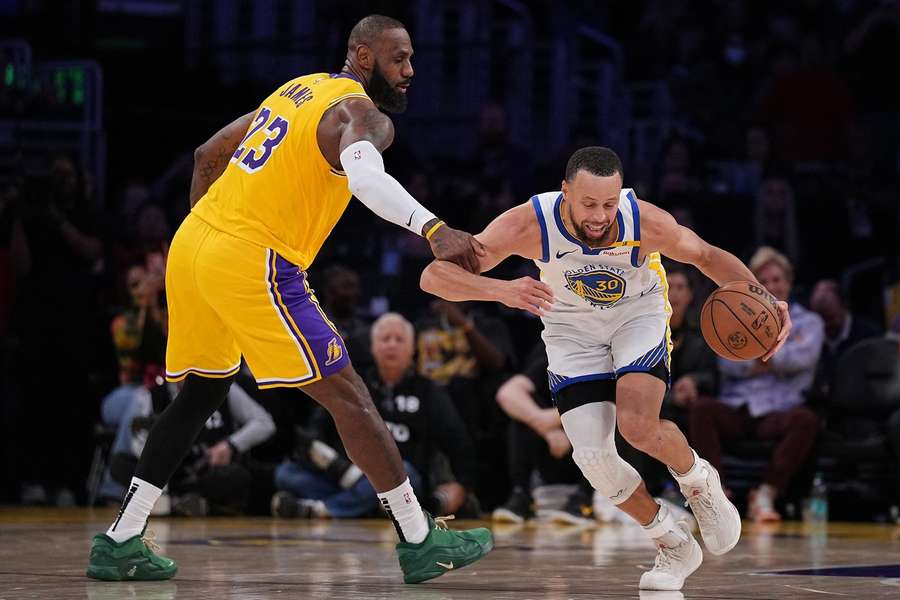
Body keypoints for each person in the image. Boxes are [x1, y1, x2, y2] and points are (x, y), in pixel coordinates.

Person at [87, 15, 492, 585]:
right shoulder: (361, 115)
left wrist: (213, 237)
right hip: (253, 256)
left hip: (192, 244)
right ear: (364, 56)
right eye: (399, 58)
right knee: (350, 394)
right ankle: (420, 539)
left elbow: (207, 155)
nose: (410, 71)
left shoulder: (297, 89)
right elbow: (364, 180)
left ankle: (121, 538)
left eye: (411, 59)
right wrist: (434, 228)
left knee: (202, 392)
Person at [420, 146, 792, 591]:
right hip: (570, 329)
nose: (599, 216)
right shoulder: (529, 224)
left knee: (637, 426)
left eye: (609, 204)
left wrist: (764, 300)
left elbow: (708, 257)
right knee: (593, 459)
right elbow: (433, 277)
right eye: (589, 204)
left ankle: (699, 481)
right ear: (565, 193)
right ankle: (672, 542)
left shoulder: (645, 221)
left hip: (636, 315)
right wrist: (500, 290)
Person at [272, 313, 477, 519]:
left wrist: (462, 484)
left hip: (402, 478)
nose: (392, 345)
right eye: (385, 339)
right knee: (286, 474)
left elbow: (458, 441)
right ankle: (366, 505)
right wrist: (338, 467)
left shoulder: (428, 391)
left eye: (399, 339)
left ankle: (323, 509)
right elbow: (316, 429)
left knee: (404, 474)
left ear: (412, 349)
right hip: (350, 474)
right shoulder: (355, 384)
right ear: (373, 347)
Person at [689, 247, 823, 524]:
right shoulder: (732, 315)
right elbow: (726, 364)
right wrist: (773, 355)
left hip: (780, 410)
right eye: (764, 281)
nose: (772, 286)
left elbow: (803, 359)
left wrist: (753, 353)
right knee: (702, 409)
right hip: (738, 406)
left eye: (777, 279)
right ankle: (717, 494)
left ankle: (766, 493)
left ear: (789, 282)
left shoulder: (809, 322)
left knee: (807, 420)